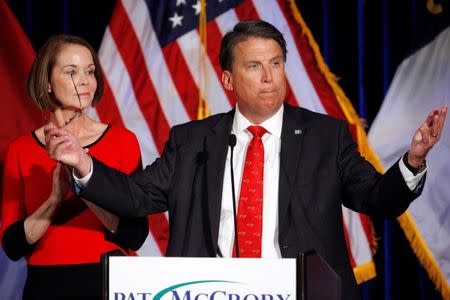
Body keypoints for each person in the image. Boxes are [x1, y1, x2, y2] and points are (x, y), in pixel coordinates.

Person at [44, 21, 447, 300]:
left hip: (303, 291)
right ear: (228, 79)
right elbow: (136, 197)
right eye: (254, 66)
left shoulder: (327, 136)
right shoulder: (192, 140)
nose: (269, 76)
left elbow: (378, 199)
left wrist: (412, 162)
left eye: (275, 64)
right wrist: (83, 163)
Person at [0, 35, 149, 299]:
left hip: (110, 279)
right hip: (46, 285)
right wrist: (54, 200)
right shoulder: (20, 150)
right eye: (71, 72)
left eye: (90, 72)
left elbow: (135, 234)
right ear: (47, 83)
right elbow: (13, 245)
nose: (85, 81)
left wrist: (84, 179)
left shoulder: (123, 142)